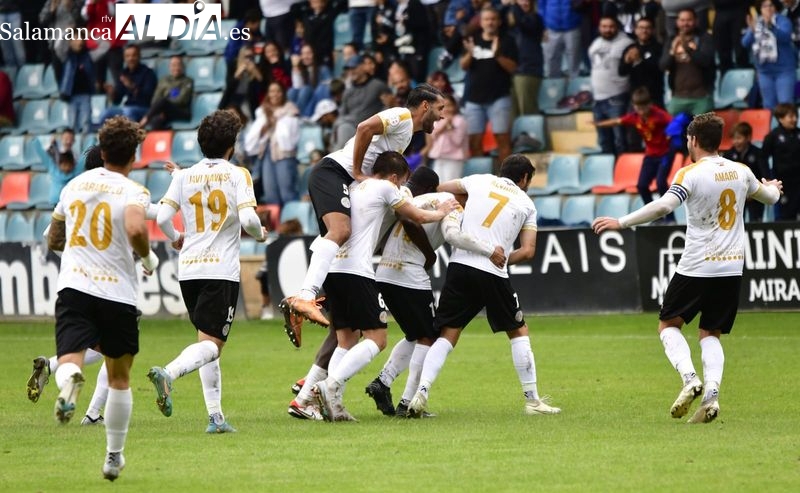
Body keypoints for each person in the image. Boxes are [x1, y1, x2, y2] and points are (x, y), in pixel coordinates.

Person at [592, 113, 783, 423]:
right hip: (732, 267)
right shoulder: (742, 171)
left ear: (693, 141)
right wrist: (771, 186)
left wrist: (622, 221)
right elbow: (771, 198)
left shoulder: (689, 174)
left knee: (668, 325)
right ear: (718, 140)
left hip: (697, 264)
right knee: (711, 333)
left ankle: (690, 378)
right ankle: (712, 395)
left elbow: (665, 206)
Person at [278, 84, 446, 335]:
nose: (442, 115)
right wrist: (357, 172)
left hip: (340, 180)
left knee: (340, 242)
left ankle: (301, 306)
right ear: (425, 105)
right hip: (334, 173)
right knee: (341, 231)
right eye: (440, 108)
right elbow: (364, 127)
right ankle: (305, 297)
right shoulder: (401, 116)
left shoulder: (407, 134)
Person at [407, 154, 562, 418]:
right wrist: (503, 258)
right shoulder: (526, 203)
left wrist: (467, 203)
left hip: (459, 266)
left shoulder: (479, 180)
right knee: (518, 331)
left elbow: (441, 189)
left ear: (501, 170)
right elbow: (528, 251)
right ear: (524, 178)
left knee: (448, 334)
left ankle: (422, 391)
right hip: (492, 270)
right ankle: (533, 400)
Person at [309, 151, 458, 421]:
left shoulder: (353, 187)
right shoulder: (387, 188)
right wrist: (442, 212)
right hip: (357, 270)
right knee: (377, 339)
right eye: (401, 182)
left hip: (333, 264)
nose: (401, 188)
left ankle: (335, 403)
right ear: (393, 176)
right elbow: (415, 217)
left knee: (345, 340)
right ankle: (330, 387)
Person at [46, 115, 154, 480]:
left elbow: (53, 238)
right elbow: (137, 227)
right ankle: (113, 456)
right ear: (133, 155)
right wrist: (148, 256)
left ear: (102, 150)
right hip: (116, 293)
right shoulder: (134, 191)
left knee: (69, 358)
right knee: (120, 378)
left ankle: (71, 380)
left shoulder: (74, 186)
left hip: (75, 286)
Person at [149, 109, 268, 433]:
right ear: (231, 144)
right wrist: (260, 234)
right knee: (213, 345)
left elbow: (161, 219)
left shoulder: (184, 175)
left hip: (188, 269)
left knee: (205, 344)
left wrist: (176, 239)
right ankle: (169, 374)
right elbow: (248, 220)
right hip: (219, 270)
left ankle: (215, 417)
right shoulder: (237, 174)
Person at [365, 167, 507, 417]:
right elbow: (452, 235)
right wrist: (488, 250)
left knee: (414, 333)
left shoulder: (414, 200)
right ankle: (408, 404)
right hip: (409, 275)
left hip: (384, 273)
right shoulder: (451, 204)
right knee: (429, 337)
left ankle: (384, 382)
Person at [593, 87, 675, 221]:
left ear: (650, 105)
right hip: (650, 155)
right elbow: (617, 121)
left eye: (644, 108)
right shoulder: (634, 117)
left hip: (665, 154)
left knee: (661, 183)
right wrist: (600, 124)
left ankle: (670, 219)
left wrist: (672, 136)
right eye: (638, 108)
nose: (642, 112)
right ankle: (655, 218)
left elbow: (674, 123)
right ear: (634, 106)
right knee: (642, 186)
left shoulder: (660, 115)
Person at [461, 6, 518, 164]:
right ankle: (480, 181)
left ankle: (506, 180)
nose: (490, 22)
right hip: (474, 98)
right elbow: (463, 66)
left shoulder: (507, 40)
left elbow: (513, 68)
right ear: (481, 22)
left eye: (493, 19)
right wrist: (470, 54)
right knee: (474, 141)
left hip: (499, 97)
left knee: (503, 139)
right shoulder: (472, 39)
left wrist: (498, 54)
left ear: (499, 22)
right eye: (486, 19)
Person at [243, 81, 301, 206]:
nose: (275, 94)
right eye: (272, 91)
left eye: (278, 91)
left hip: (284, 154)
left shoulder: (291, 111)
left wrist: (276, 123)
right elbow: (251, 141)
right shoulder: (262, 111)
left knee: (287, 193)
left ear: (283, 94)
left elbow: (292, 139)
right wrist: (263, 129)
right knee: (271, 194)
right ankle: (275, 224)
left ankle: (292, 222)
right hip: (266, 153)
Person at [589, 15, 634, 156]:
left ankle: (622, 171)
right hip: (597, 99)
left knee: (620, 139)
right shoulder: (595, 43)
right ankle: (607, 172)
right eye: (604, 26)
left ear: (617, 27)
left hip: (617, 97)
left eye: (611, 26)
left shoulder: (626, 43)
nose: (607, 29)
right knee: (604, 140)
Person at [659, 8, 716, 117]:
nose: (685, 23)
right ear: (677, 22)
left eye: (689, 20)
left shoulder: (705, 38)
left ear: (696, 21)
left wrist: (687, 48)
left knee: (703, 132)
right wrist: (672, 52)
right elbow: (663, 65)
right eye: (682, 20)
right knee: (672, 131)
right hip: (678, 97)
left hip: (701, 97)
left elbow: (706, 61)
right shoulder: (671, 40)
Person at [742, 0, 797, 110]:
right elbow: (745, 43)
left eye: (770, 5)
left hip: (784, 71)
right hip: (765, 73)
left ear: (775, 7)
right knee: (768, 107)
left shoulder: (783, 21)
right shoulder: (757, 23)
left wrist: (771, 26)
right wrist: (752, 31)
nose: (768, 8)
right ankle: (772, 128)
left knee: (785, 106)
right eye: (764, 6)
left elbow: (785, 37)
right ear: (760, 9)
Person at [759, 102, 800, 220]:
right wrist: (766, 176)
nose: (794, 119)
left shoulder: (798, 133)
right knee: (785, 215)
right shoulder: (773, 136)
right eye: (790, 117)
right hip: (783, 183)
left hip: (798, 181)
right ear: (780, 118)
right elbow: (762, 157)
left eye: (795, 116)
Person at [100, 45, 157, 125]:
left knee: (128, 111)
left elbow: (148, 96)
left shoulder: (148, 73)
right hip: (126, 107)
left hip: (144, 109)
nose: (131, 59)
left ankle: (131, 136)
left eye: (134, 55)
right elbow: (117, 100)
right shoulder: (124, 73)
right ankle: (105, 137)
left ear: (139, 56)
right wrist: (112, 93)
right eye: (128, 56)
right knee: (106, 113)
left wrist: (131, 86)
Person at [722, 122, 767, 222]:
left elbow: (764, 175)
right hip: (735, 197)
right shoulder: (727, 156)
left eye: (739, 138)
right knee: (736, 224)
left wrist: (754, 192)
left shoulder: (758, 153)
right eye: (733, 139)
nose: (736, 142)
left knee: (756, 224)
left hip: (756, 197)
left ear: (748, 137)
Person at [619, 16, 665, 108]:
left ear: (653, 30)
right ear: (635, 30)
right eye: (641, 28)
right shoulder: (630, 48)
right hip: (635, 98)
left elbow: (659, 69)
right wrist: (627, 61)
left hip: (654, 97)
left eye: (647, 28)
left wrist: (640, 60)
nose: (644, 31)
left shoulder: (659, 48)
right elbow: (621, 72)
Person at [422, 93, 468, 183]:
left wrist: (449, 126)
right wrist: (444, 125)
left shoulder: (460, 121)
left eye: (449, 106)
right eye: (443, 106)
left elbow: (457, 141)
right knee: (438, 184)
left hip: (453, 159)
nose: (446, 109)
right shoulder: (437, 121)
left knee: (450, 184)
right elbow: (433, 135)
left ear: (455, 107)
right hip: (439, 157)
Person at [139, 56, 194, 130]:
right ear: (170, 67)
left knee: (163, 101)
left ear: (183, 67)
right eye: (174, 65)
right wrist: (162, 109)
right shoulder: (164, 80)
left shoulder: (187, 81)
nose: (176, 68)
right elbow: (155, 100)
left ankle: (145, 119)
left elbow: (182, 100)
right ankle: (156, 140)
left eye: (179, 65)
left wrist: (165, 106)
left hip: (181, 111)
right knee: (157, 120)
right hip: (165, 111)